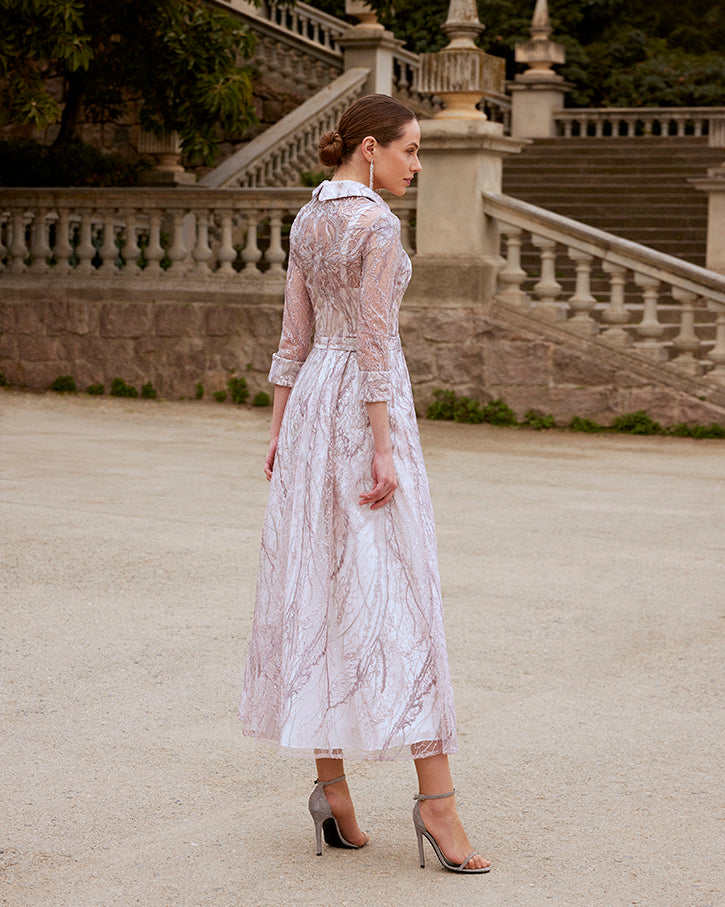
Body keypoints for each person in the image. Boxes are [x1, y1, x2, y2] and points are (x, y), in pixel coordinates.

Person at [238, 94, 490, 874]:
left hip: (312, 406)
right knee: (401, 594)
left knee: (320, 585)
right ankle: (437, 807)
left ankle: (334, 791)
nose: (417, 165)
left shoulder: (307, 218)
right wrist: (382, 449)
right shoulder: (376, 224)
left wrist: (278, 427)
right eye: (411, 151)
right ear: (371, 148)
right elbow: (376, 344)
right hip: (361, 414)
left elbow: (293, 337)